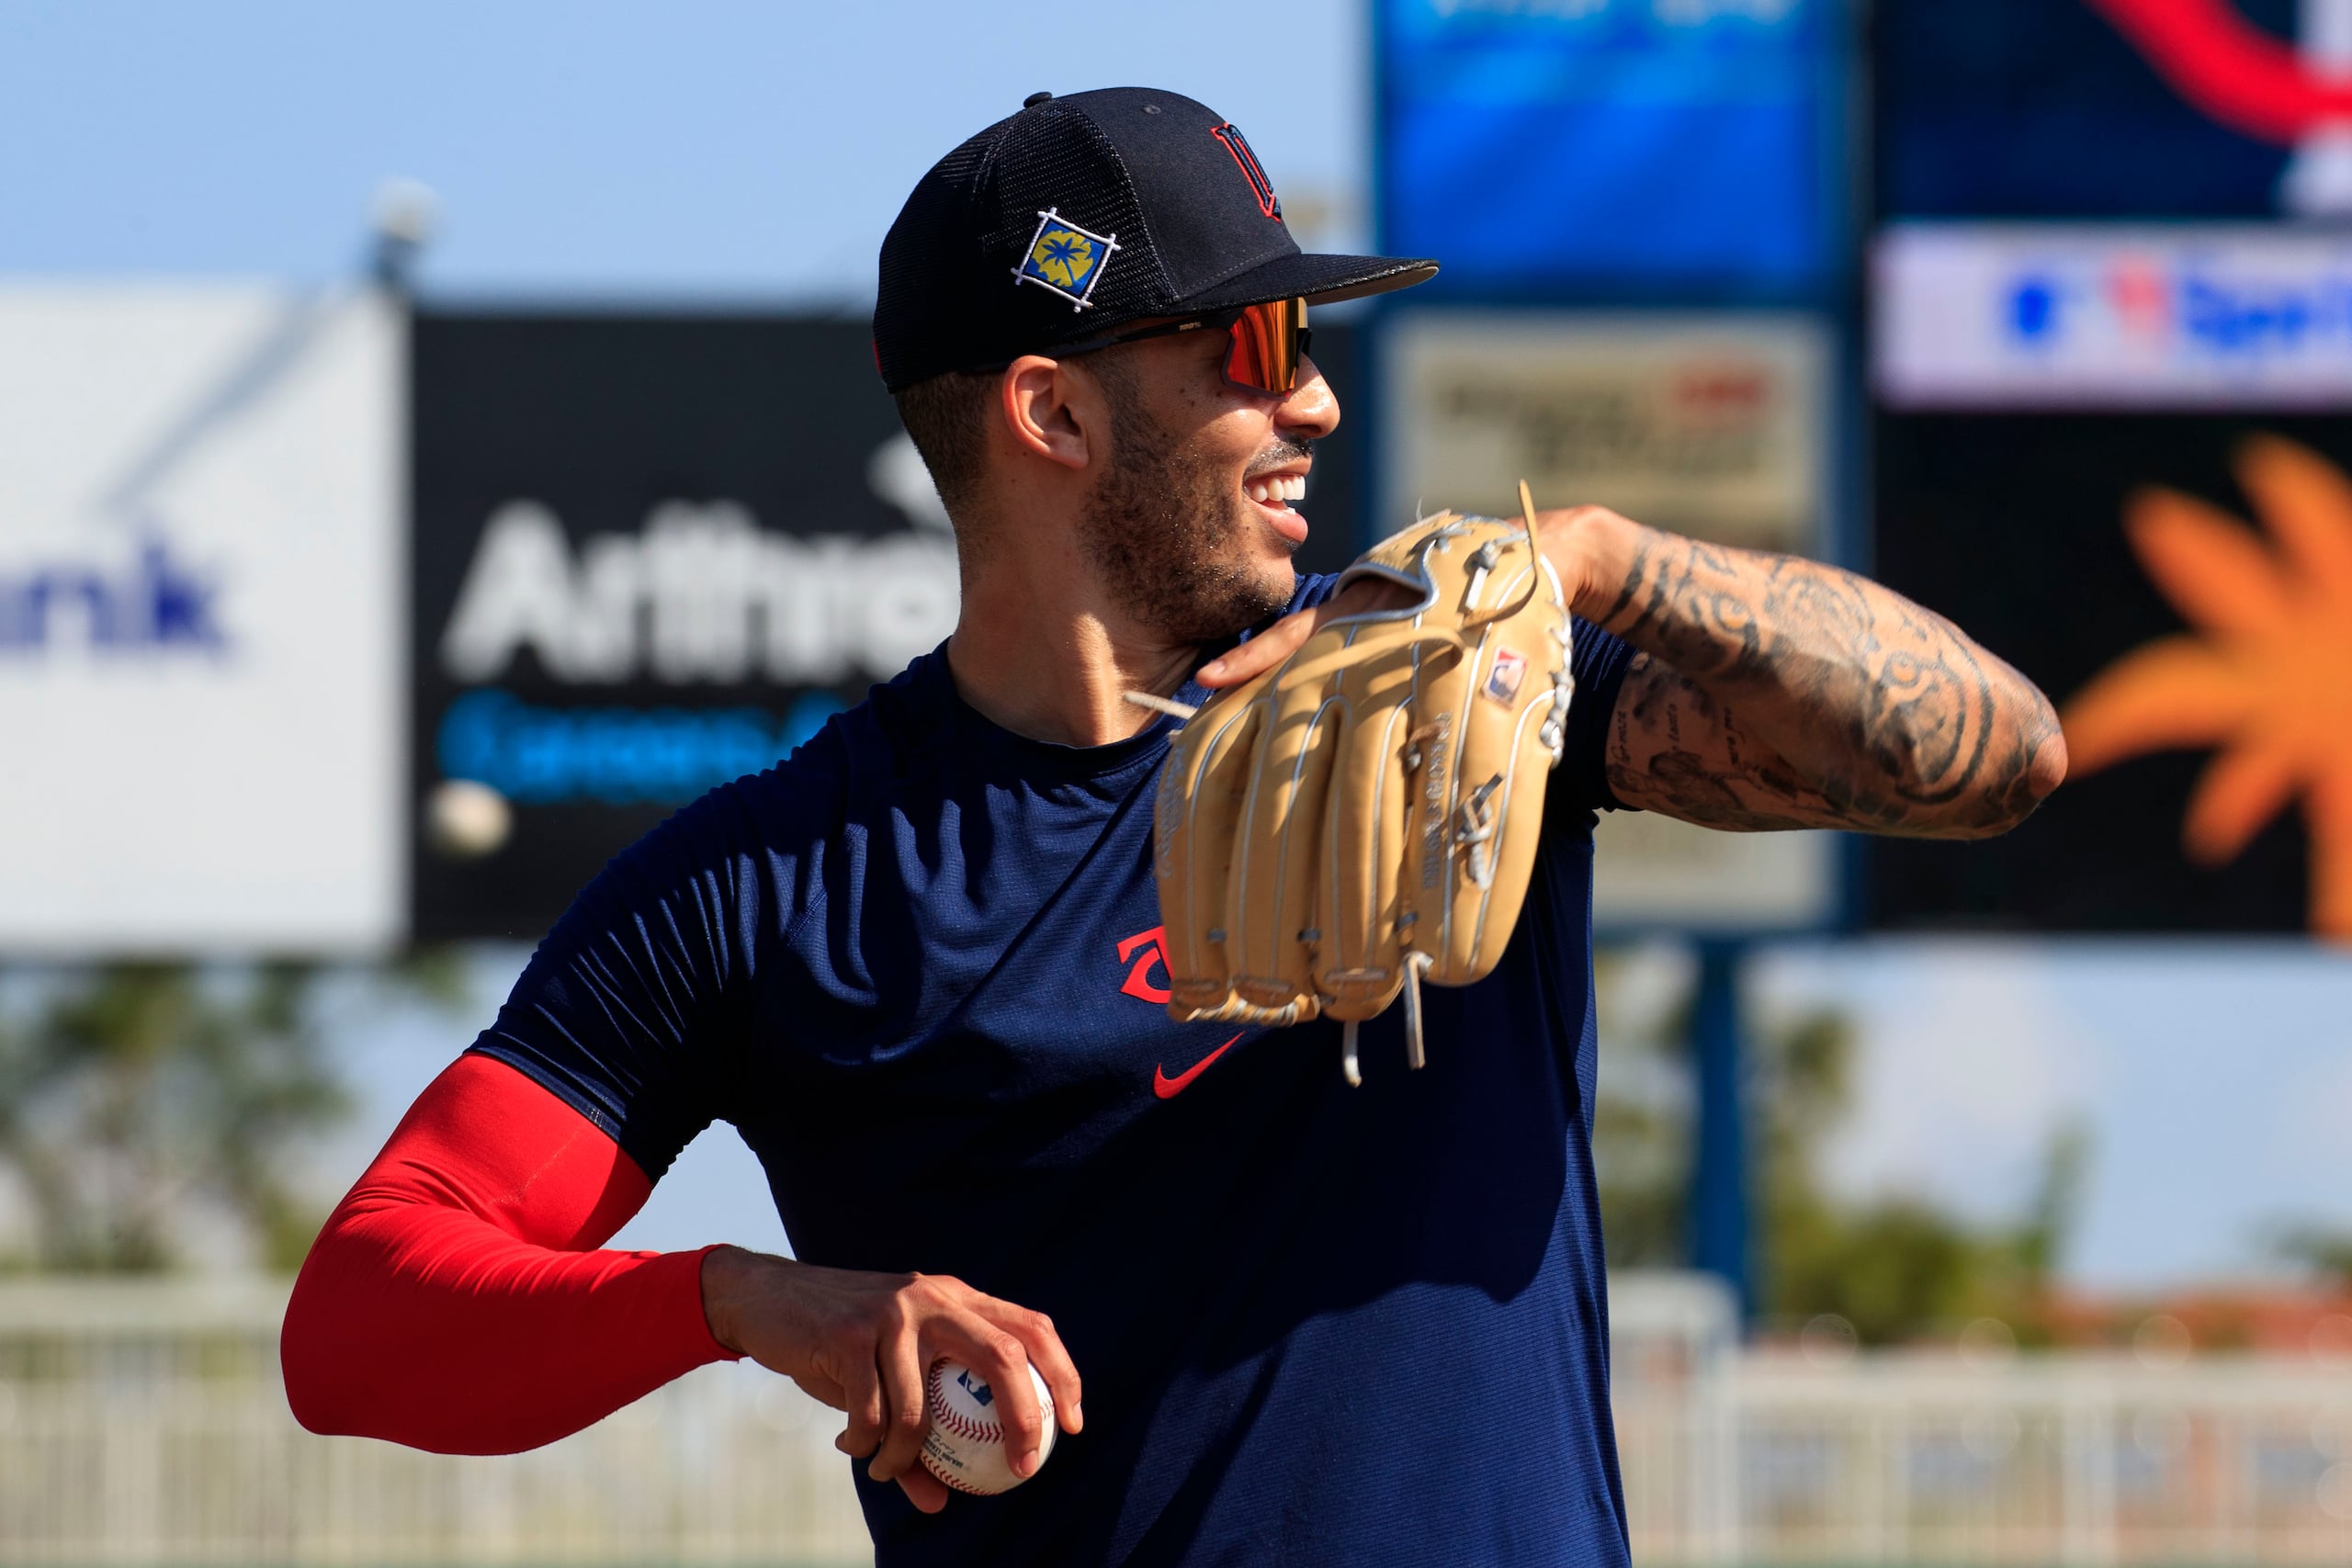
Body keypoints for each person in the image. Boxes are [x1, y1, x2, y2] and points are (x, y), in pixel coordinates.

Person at [282, 87, 2065, 1567]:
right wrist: (750, 1298)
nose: (1314, 399)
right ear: (1049, 408)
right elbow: (359, 1319)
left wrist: (1597, 559)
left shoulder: (1449, 695)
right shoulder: (773, 883)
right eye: (1252, 340)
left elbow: (1990, 755)